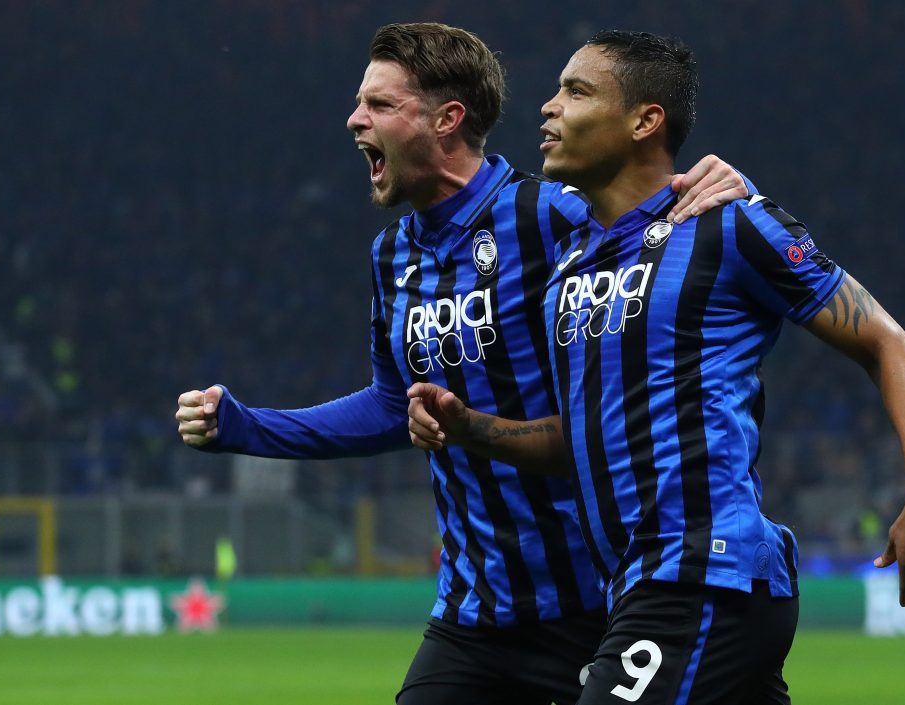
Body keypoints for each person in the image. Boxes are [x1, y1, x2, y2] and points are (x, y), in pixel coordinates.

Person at [175, 23, 752, 705]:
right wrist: (249, 428)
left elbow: (667, 218)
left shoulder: (551, 216)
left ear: (447, 119)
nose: (355, 119)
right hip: (474, 613)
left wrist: (727, 186)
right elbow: (391, 405)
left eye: (380, 104)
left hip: (593, 603)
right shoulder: (392, 255)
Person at [407, 30, 905, 704]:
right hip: (640, 583)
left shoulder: (728, 224)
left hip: (700, 572)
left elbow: (885, 341)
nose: (549, 106)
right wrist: (473, 428)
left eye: (576, 91)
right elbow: (587, 441)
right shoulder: (569, 264)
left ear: (645, 121)